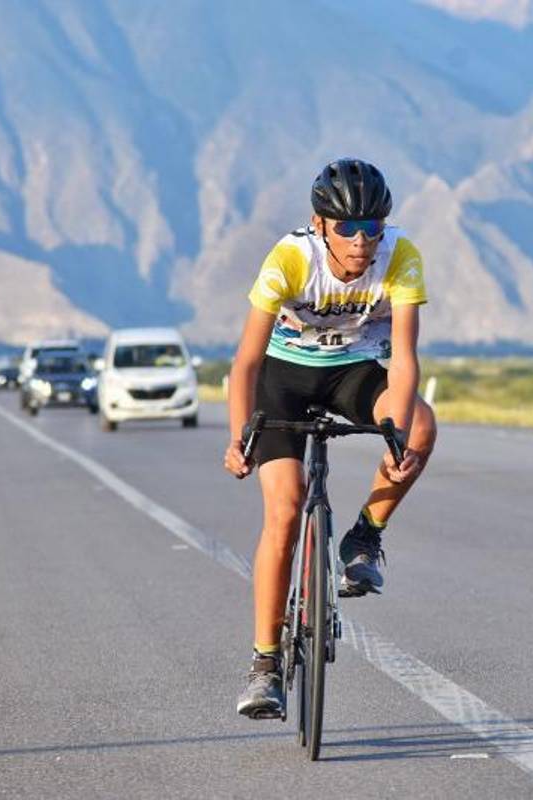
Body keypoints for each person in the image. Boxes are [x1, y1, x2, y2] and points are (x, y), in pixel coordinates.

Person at [223, 158, 437, 718]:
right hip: (283, 378)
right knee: (286, 510)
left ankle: (364, 537)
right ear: (320, 225)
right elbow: (246, 363)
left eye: (372, 227)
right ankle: (266, 664)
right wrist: (238, 436)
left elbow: (405, 360)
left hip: (354, 370)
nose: (361, 241)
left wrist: (397, 434)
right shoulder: (290, 258)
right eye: (347, 228)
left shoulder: (401, 255)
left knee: (421, 425)